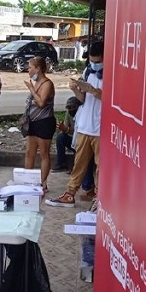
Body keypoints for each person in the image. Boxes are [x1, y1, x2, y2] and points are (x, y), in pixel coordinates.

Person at [46, 41, 104, 208]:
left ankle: (99, 200)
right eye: (92, 61)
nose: (94, 64)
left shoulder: (114, 74)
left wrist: (95, 91)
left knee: (101, 166)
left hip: (101, 128)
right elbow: (82, 100)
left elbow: (114, 100)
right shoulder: (88, 71)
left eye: (98, 61)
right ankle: (70, 194)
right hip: (85, 125)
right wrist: (76, 89)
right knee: (79, 163)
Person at [23, 56, 56, 192]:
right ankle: (27, 181)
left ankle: (43, 183)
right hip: (33, 121)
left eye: (30, 67)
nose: (28, 70)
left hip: (44, 122)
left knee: (44, 153)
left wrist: (31, 89)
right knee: (29, 152)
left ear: (38, 69)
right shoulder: (36, 83)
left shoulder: (47, 84)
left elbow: (41, 103)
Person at [52, 96, 81, 173]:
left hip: (80, 139)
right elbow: (66, 126)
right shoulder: (69, 113)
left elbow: (78, 130)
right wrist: (61, 128)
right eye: (69, 108)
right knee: (60, 138)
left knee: (79, 144)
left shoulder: (81, 114)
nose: (71, 109)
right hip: (72, 138)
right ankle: (61, 163)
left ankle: (76, 168)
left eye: (73, 107)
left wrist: (66, 129)